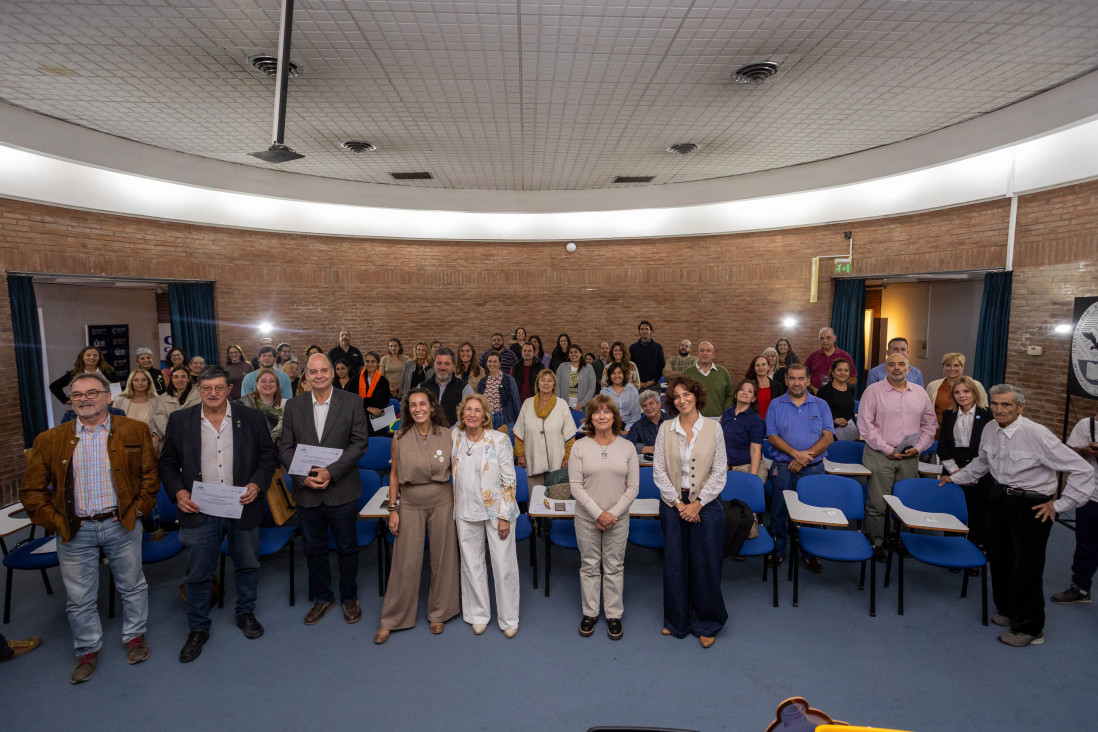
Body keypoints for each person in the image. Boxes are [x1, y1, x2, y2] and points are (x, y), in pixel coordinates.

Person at [20, 371, 158, 684]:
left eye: (92, 393)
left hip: (121, 524)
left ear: (108, 397)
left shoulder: (134, 430)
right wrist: (55, 521)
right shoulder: (49, 440)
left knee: (133, 585)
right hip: (74, 530)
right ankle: (87, 648)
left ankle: (135, 637)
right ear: (71, 400)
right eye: (78, 394)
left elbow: (150, 475)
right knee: (79, 596)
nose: (84, 399)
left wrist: (137, 510)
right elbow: (32, 491)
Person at [942, 385, 1095, 647]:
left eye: (1007, 405)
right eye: (996, 404)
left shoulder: (1036, 434)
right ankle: (1009, 610)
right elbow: (982, 462)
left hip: (1032, 505)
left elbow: (1082, 469)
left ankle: (1030, 628)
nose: (1000, 410)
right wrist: (958, 477)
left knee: (1027, 567)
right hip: (1000, 497)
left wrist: (1060, 505)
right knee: (1000, 559)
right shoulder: (990, 428)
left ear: (1020, 407)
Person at [159, 366, 279, 662]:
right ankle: (198, 627)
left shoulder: (251, 418)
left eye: (218, 388)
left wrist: (257, 483)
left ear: (229, 390)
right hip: (200, 508)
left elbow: (268, 456)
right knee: (198, 572)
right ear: (199, 390)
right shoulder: (180, 420)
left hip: (241, 504)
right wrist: (178, 492)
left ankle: (245, 613)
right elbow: (168, 463)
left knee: (248, 564)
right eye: (206, 388)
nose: (212, 393)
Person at [280, 353, 370, 626]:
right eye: (313, 371)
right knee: (313, 548)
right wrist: (301, 477)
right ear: (305, 376)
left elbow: (359, 443)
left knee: (347, 547)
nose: (318, 375)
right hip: (306, 490)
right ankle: (323, 597)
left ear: (332, 373)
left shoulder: (352, 402)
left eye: (324, 370)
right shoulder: (293, 406)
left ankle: (349, 596)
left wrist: (332, 471)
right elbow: (284, 448)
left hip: (341, 489)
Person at [375, 388, 460, 643]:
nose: (418, 408)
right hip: (410, 502)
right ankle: (393, 618)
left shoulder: (448, 435)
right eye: (413, 405)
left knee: (443, 558)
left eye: (423, 403)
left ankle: (439, 613)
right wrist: (393, 509)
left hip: (443, 500)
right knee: (406, 562)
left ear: (432, 407)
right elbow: (394, 476)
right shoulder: (399, 437)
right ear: (408, 410)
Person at [653, 377, 728, 648]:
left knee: (706, 563)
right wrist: (679, 503)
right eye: (676, 397)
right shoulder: (665, 428)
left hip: (706, 503)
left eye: (686, 394)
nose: (682, 400)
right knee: (674, 562)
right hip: (673, 501)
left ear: (696, 396)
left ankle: (707, 623)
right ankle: (676, 622)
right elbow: (659, 471)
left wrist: (698, 504)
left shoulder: (713, 427)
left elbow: (720, 471)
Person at [569, 395, 639, 640]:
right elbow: (576, 487)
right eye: (596, 412)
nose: (601, 416)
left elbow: (633, 488)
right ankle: (590, 612)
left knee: (614, 566)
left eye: (606, 412)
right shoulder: (579, 446)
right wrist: (599, 514)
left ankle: (613, 614)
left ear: (614, 417)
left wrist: (611, 515)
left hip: (618, 519)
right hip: (587, 518)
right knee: (589, 565)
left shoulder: (627, 447)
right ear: (590, 418)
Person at [450, 394, 520, 637]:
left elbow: (510, 480)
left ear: (485, 415)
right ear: (461, 414)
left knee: (503, 565)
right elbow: (441, 460)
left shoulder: (499, 439)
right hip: (465, 512)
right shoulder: (455, 436)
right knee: (472, 564)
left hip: (496, 513)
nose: (472, 414)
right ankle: (478, 614)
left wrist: (504, 515)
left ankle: (509, 619)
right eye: (468, 409)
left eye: (477, 410)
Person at [858, 353, 938, 560]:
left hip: (909, 457)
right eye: (891, 365)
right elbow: (866, 426)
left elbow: (930, 425)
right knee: (878, 504)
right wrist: (887, 449)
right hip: (880, 455)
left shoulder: (920, 393)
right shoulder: (873, 392)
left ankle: (897, 539)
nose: (896, 368)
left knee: (903, 503)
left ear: (908, 369)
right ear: (885, 369)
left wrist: (919, 448)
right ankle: (876, 542)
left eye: (901, 364)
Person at [766, 363, 835, 572]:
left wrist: (805, 457)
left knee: (811, 512)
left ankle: (810, 553)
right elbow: (772, 436)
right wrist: (796, 455)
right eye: (792, 379)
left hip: (813, 469)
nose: (796, 383)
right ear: (786, 380)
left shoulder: (821, 404)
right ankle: (777, 551)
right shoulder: (776, 405)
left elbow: (828, 436)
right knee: (778, 511)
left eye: (801, 379)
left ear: (808, 380)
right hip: (783, 466)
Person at [937, 376, 993, 554]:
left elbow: (987, 449)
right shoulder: (948, 414)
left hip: (979, 470)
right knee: (952, 513)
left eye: (966, 391)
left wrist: (968, 473)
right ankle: (952, 551)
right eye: (957, 392)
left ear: (974, 393)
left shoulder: (988, 415)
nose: (962, 395)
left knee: (978, 515)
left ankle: (975, 552)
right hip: (952, 468)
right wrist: (956, 472)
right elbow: (943, 446)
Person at [1051, 406, 1098, 605]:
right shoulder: (1086, 425)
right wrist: (1084, 451)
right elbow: (1070, 456)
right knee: (1086, 543)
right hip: (1091, 494)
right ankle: (1081, 588)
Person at [514, 369, 576, 485]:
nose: (546, 383)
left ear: (554, 385)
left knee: (555, 498)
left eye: (549, 381)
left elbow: (570, 435)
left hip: (557, 460)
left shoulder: (562, 404)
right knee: (533, 498)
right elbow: (519, 432)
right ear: (538, 384)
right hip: (532, 458)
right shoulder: (527, 403)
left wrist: (567, 457)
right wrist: (520, 455)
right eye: (542, 380)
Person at [720, 379, 768, 484]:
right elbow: (720, 442)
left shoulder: (756, 420)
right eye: (742, 389)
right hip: (727, 467)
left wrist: (752, 478)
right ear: (736, 394)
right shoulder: (727, 414)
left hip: (748, 467)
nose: (745, 392)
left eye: (750, 391)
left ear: (754, 399)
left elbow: (755, 449)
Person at [925, 352, 988, 432]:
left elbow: (984, 410)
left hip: (967, 433)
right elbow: (926, 412)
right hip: (938, 433)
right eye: (948, 365)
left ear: (962, 367)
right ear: (943, 367)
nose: (952, 369)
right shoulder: (933, 386)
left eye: (956, 365)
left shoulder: (976, 385)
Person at [422, 347, 473, 427]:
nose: (442, 367)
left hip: (454, 436)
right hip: (426, 436)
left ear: (453, 366)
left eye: (447, 364)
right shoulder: (422, 387)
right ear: (433, 365)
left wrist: (450, 432)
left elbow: (470, 414)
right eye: (439, 363)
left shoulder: (464, 388)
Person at [682, 341, 734, 418]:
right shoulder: (686, 373)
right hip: (692, 420)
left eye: (708, 350)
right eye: (702, 350)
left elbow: (729, 395)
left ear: (713, 354)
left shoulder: (723, 372)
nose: (705, 353)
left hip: (718, 420)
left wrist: (725, 412)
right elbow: (681, 396)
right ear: (697, 354)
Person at [49, 346, 116, 405]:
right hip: (84, 407)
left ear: (99, 358)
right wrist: (66, 401)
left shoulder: (108, 371)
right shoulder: (74, 374)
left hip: (107, 406)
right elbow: (54, 386)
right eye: (88, 355)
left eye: (95, 355)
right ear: (82, 357)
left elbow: (116, 387)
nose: (92, 357)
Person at [152, 366, 202, 442]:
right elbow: (160, 418)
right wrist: (172, 435)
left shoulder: (200, 394)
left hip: (196, 438)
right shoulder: (163, 398)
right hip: (173, 440)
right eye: (176, 377)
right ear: (171, 379)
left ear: (188, 379)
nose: (179, 380)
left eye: (183, 377)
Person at [112, 369, 159, 447]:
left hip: (150, 445)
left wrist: (156, 439)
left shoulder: (157, 401)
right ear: (130, 382)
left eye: (144, 380)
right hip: (123, 444)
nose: (140, 383)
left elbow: (161, 425)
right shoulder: (119, 400)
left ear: (149, 382)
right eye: (136, 380)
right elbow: (112, 422)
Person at [815, 358, 858, 440]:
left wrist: (855, 432)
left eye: (846, 370)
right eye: (839, 370)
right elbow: (816, 413)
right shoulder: (824, 391)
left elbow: (850, 412)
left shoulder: (851, 388)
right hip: (829, 433)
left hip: (848, 434)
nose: (843, 373)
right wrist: (834, 419)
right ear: (833, 372)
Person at [237, 368, 288, 438]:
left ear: (277, 385)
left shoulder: (286, 405)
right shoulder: (244, 404)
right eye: (263, 381)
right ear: (256, 384)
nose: (268, 384)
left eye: (272, 381)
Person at [477, 351, 521, 430]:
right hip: (487, 419)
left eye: (495, 361)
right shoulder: (483, 381)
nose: (492, 364)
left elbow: (516, 401)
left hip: (504, 419)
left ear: (500, 363)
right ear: (486, 363)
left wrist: (520, 421)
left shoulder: (508, 379)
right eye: (490, 361)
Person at [358, 351, 392, 436]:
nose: (370, 364)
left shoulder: (383, 381)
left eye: (373, 361)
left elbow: (384, 401)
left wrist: (366, 403)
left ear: (378, 363)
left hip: (378, 417)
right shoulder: (355, 380)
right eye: (367, 361)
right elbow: (352, 399)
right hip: (360, 417)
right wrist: (368, 407)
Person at [600, 362, 641, 431]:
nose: (616, 376)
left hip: (630, 426)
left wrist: (627, 430)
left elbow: (636, 416)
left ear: (624, 375)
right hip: (609, 427)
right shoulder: (604, 392)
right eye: (613, 373)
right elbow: (602, 414)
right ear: (609, 376)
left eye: (619, 373)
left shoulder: (633, 390)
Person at [556, 343, 597, 411]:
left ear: (581, 354)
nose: (573, 354)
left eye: (576, 352)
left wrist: (582, 403)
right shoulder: (562, 367)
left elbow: (591, 389)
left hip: (582, 408)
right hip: (564, 407)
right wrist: (561, 403)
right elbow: (557, 386)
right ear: (568, 355)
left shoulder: (589, 368)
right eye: (571, 352)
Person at [626, 390, 668, 457]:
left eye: (651, 403)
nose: (648, 408)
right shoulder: (638, 426)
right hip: (650, 463)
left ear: (659, 404)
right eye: (644, 405)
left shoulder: (672, 420)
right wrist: (647, 448)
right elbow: (628, 444)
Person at [745, 353, 785, 419]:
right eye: (757, 365)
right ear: (754, 368)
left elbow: (782, 407)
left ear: (768, 367)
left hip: (771, 424)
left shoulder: (777, 386)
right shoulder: (748, 385)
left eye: (763, 364)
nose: (761, 368)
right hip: (752, 423)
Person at [629, 320, 665, 391]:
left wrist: (653, 381)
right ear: (639, 331)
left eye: (647, 329)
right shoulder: (633, 347)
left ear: (651, 331)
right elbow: (630, 366)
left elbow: (662, 365)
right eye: (642, 329)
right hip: (637, 386)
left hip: (654, 386)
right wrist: (638, 382)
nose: (644, 331)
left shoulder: (658, 347)